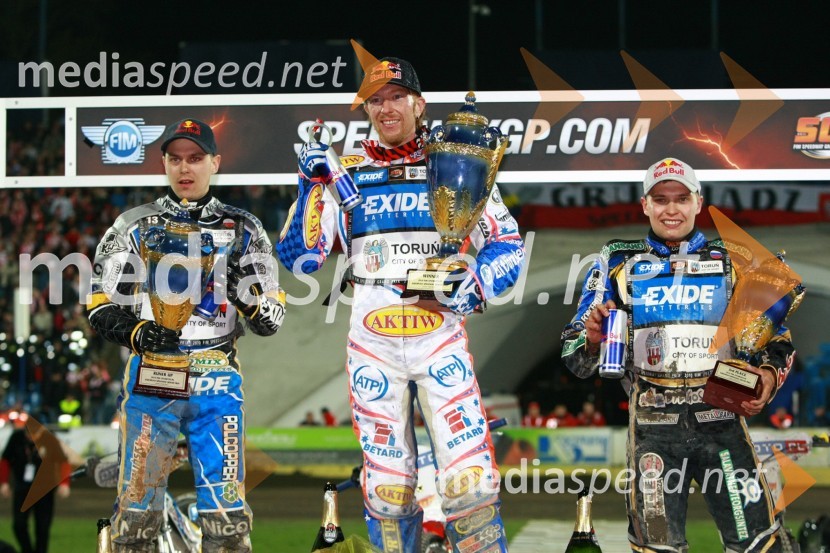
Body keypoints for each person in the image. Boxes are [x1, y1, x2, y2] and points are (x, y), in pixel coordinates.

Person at [277, 57, 524, 553]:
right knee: (389, 492)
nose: (386, 108)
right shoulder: (342, 173)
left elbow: (508, 244)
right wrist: (309, 186)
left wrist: (474, 283)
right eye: (375, 100)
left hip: (439, 336)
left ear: (418, 102)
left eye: (395, 97)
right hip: (373, 342)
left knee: (469, 482)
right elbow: (300, 260)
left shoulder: (454, 160)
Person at [561, 158, 797, 552]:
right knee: (657, 548)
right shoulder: (617, 262)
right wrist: (592, 339)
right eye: (661, 199)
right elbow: (574, 353)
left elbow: (777, 339)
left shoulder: (734, 261)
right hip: (654, 432)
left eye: (681, 198)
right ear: (644, 205)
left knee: (758, 544)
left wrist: (768, 377)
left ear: (698, 202)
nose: (672, 209)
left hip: (722, 425)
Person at [86, 118, 285, 552]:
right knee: (136, 519)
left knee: (227, 522)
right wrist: (137, 331)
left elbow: (271, 320)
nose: (184, 168)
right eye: (175, 159)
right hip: (152, 378)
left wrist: (246, 295)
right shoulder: (134, 226)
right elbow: (98, 302)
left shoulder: (244, 228)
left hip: (217, 381)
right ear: (163, 163)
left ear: (215, 162)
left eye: (195, 158)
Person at [0, 421, 71, 553]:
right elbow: (5, 460)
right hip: (22, 488)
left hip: (44, 490)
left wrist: (64, 484)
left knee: (43, 528)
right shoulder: (17, 438)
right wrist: (4, 483)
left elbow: (63, 461)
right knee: (19, 525)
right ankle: (27, 550)